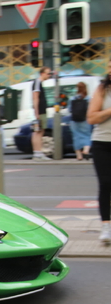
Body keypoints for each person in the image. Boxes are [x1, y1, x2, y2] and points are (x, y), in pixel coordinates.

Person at [87, 58, 111, 245]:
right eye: (109, 66)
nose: (110, 69)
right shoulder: (103, 89)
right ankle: (106, 226)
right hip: (102, 142)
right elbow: (91, 118)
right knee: (105, 183)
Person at [31, 67, 53, 161]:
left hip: (41, 110)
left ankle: (38, 152)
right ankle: (37, 153)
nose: (49, 75)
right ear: (42, 73)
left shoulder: (39, 83)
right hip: (40, 111)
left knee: (40, 131)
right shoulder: (37, 83)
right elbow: (35, 98)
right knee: (38, 132)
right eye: (48, 73)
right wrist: (37, 112)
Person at [68, 82, 92, 161]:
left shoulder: (72, 99)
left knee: (76, 137)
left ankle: (79, 155)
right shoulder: (88, 98)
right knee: (87, 136)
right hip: (85, 120)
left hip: (74, 121)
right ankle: (86, 150)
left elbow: (69, 110)